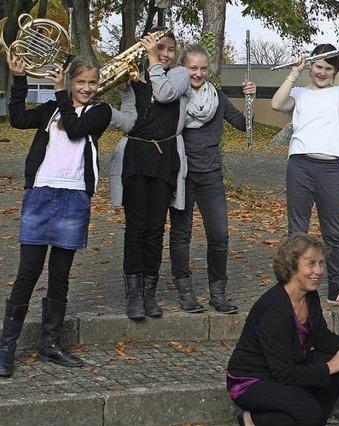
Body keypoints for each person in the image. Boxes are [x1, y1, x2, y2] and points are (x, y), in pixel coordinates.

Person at [0, 54, 113, 377]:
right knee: (28, 272)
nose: (87, 88)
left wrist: (62, 92)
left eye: (92, 82)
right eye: (80, 82)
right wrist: (19, 79)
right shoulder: (52, 110)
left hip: (74, 195)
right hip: (41, 193)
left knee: (60, 274)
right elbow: (18, 119)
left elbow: (77, 130)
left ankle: (50, 342)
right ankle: (7, 345)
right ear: (72, 80)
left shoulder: (99, 112)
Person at [270, 42, 339, 307]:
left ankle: (336, 286)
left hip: (332, 168)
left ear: (335, 71)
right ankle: (293, 284)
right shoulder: (300, 93)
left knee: (333, 231)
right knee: (297, 229)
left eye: (327, 68)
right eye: (317, 67)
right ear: (311, 66)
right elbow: (278, 104)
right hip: (300, 165)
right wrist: (293, 73)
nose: (321, 72)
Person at [227, 232, 339, 426]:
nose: (319, 271)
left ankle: (312, 418)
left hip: (288, 366)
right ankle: (251, 419)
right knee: (311, 411)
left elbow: (323, 339)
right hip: (251, 380)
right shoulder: (273, 309)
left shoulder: (310, 296)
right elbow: (284, 373)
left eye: (320, 263)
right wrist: (328, 367)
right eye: (311, 264)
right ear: (292, 266)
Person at [168, 44, 256, 314]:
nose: (198, 73)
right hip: (182, 173)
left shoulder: (215, 97)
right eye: (192, 67)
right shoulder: (174, 96)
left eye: (203, 68)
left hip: (211, 175)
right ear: (183, 68)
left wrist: (250, 98)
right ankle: (185, 293)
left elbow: (243, 124)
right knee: (181, 235)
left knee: (219, 235)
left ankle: (218, 293)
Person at [109, 28, 190, 320]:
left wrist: (154, 60)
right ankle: (133, 294)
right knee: (136, 228)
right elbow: (130, 123)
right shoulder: (134, 84)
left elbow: (166, 94)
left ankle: (149, 293)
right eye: (159, 49)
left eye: (169, 49)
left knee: (156, 229)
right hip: (136, 158)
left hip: (164, 159)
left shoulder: (179, 75)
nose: (165, 54)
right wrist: (106, 112)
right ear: (144, 50)